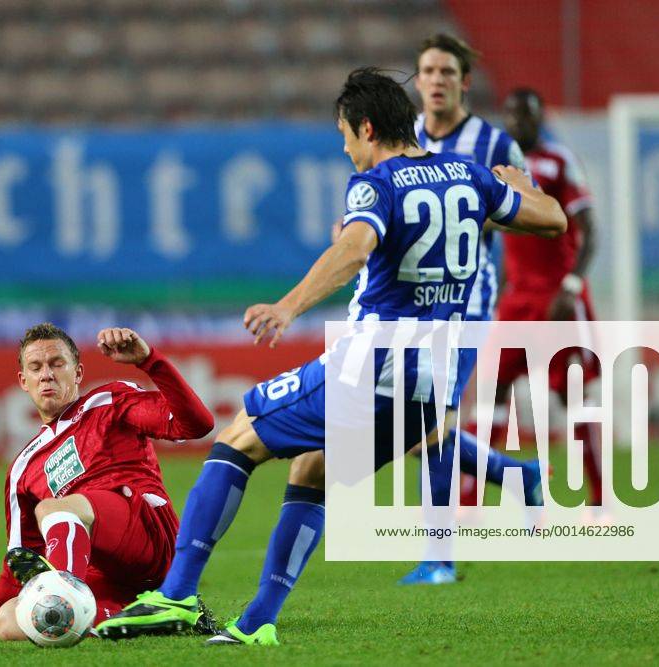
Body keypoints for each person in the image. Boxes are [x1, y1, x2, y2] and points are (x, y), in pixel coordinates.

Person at [95, 67, 566, 646]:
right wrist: (526, 188)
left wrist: (289, 305)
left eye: (345, 134)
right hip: (430, 388)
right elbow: (553, 219)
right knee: (311, 467)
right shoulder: (468, 176)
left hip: (370, 369)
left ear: (367, 127)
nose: (345, 148)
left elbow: (353, 246)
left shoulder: (379, 184)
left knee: (238, 437)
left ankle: (175, 597)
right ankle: (258, 621)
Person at [0, 324, 216, 642]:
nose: (47, 375)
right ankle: (148, 617)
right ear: (23, 382)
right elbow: (15, 571)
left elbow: (196, 424)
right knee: (10, 620)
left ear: (78, 372)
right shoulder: (22, 470)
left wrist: (150, 361)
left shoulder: (107, 402)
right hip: (103, 577)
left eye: (57, 363)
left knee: (55, 509)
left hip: (150, 538)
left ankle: (66, 597)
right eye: (36, 368)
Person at [400, 33, 539, 585]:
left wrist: (484, 216)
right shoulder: (401, 137)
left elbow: (532, 205)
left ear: (464, 82)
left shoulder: (494, 143)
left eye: (445, 72)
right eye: (427, 71)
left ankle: (438, 559)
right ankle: (517, 476)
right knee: (411, 430)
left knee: (431, 424)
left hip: (467, 303)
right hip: (408, 304)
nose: (435, 80)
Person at [498, 87, 604, 512]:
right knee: (493, 390)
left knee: (572, 395)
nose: (518, 121)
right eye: (512, 114)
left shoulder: (560, 161)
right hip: (516, 301)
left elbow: (591, 230)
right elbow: (503, 234)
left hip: (558, 296)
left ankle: (600, 500)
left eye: (527, 114)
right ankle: (466, 503)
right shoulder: (501, 168)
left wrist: (572, 285)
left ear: (539, 118)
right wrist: (500, 287)